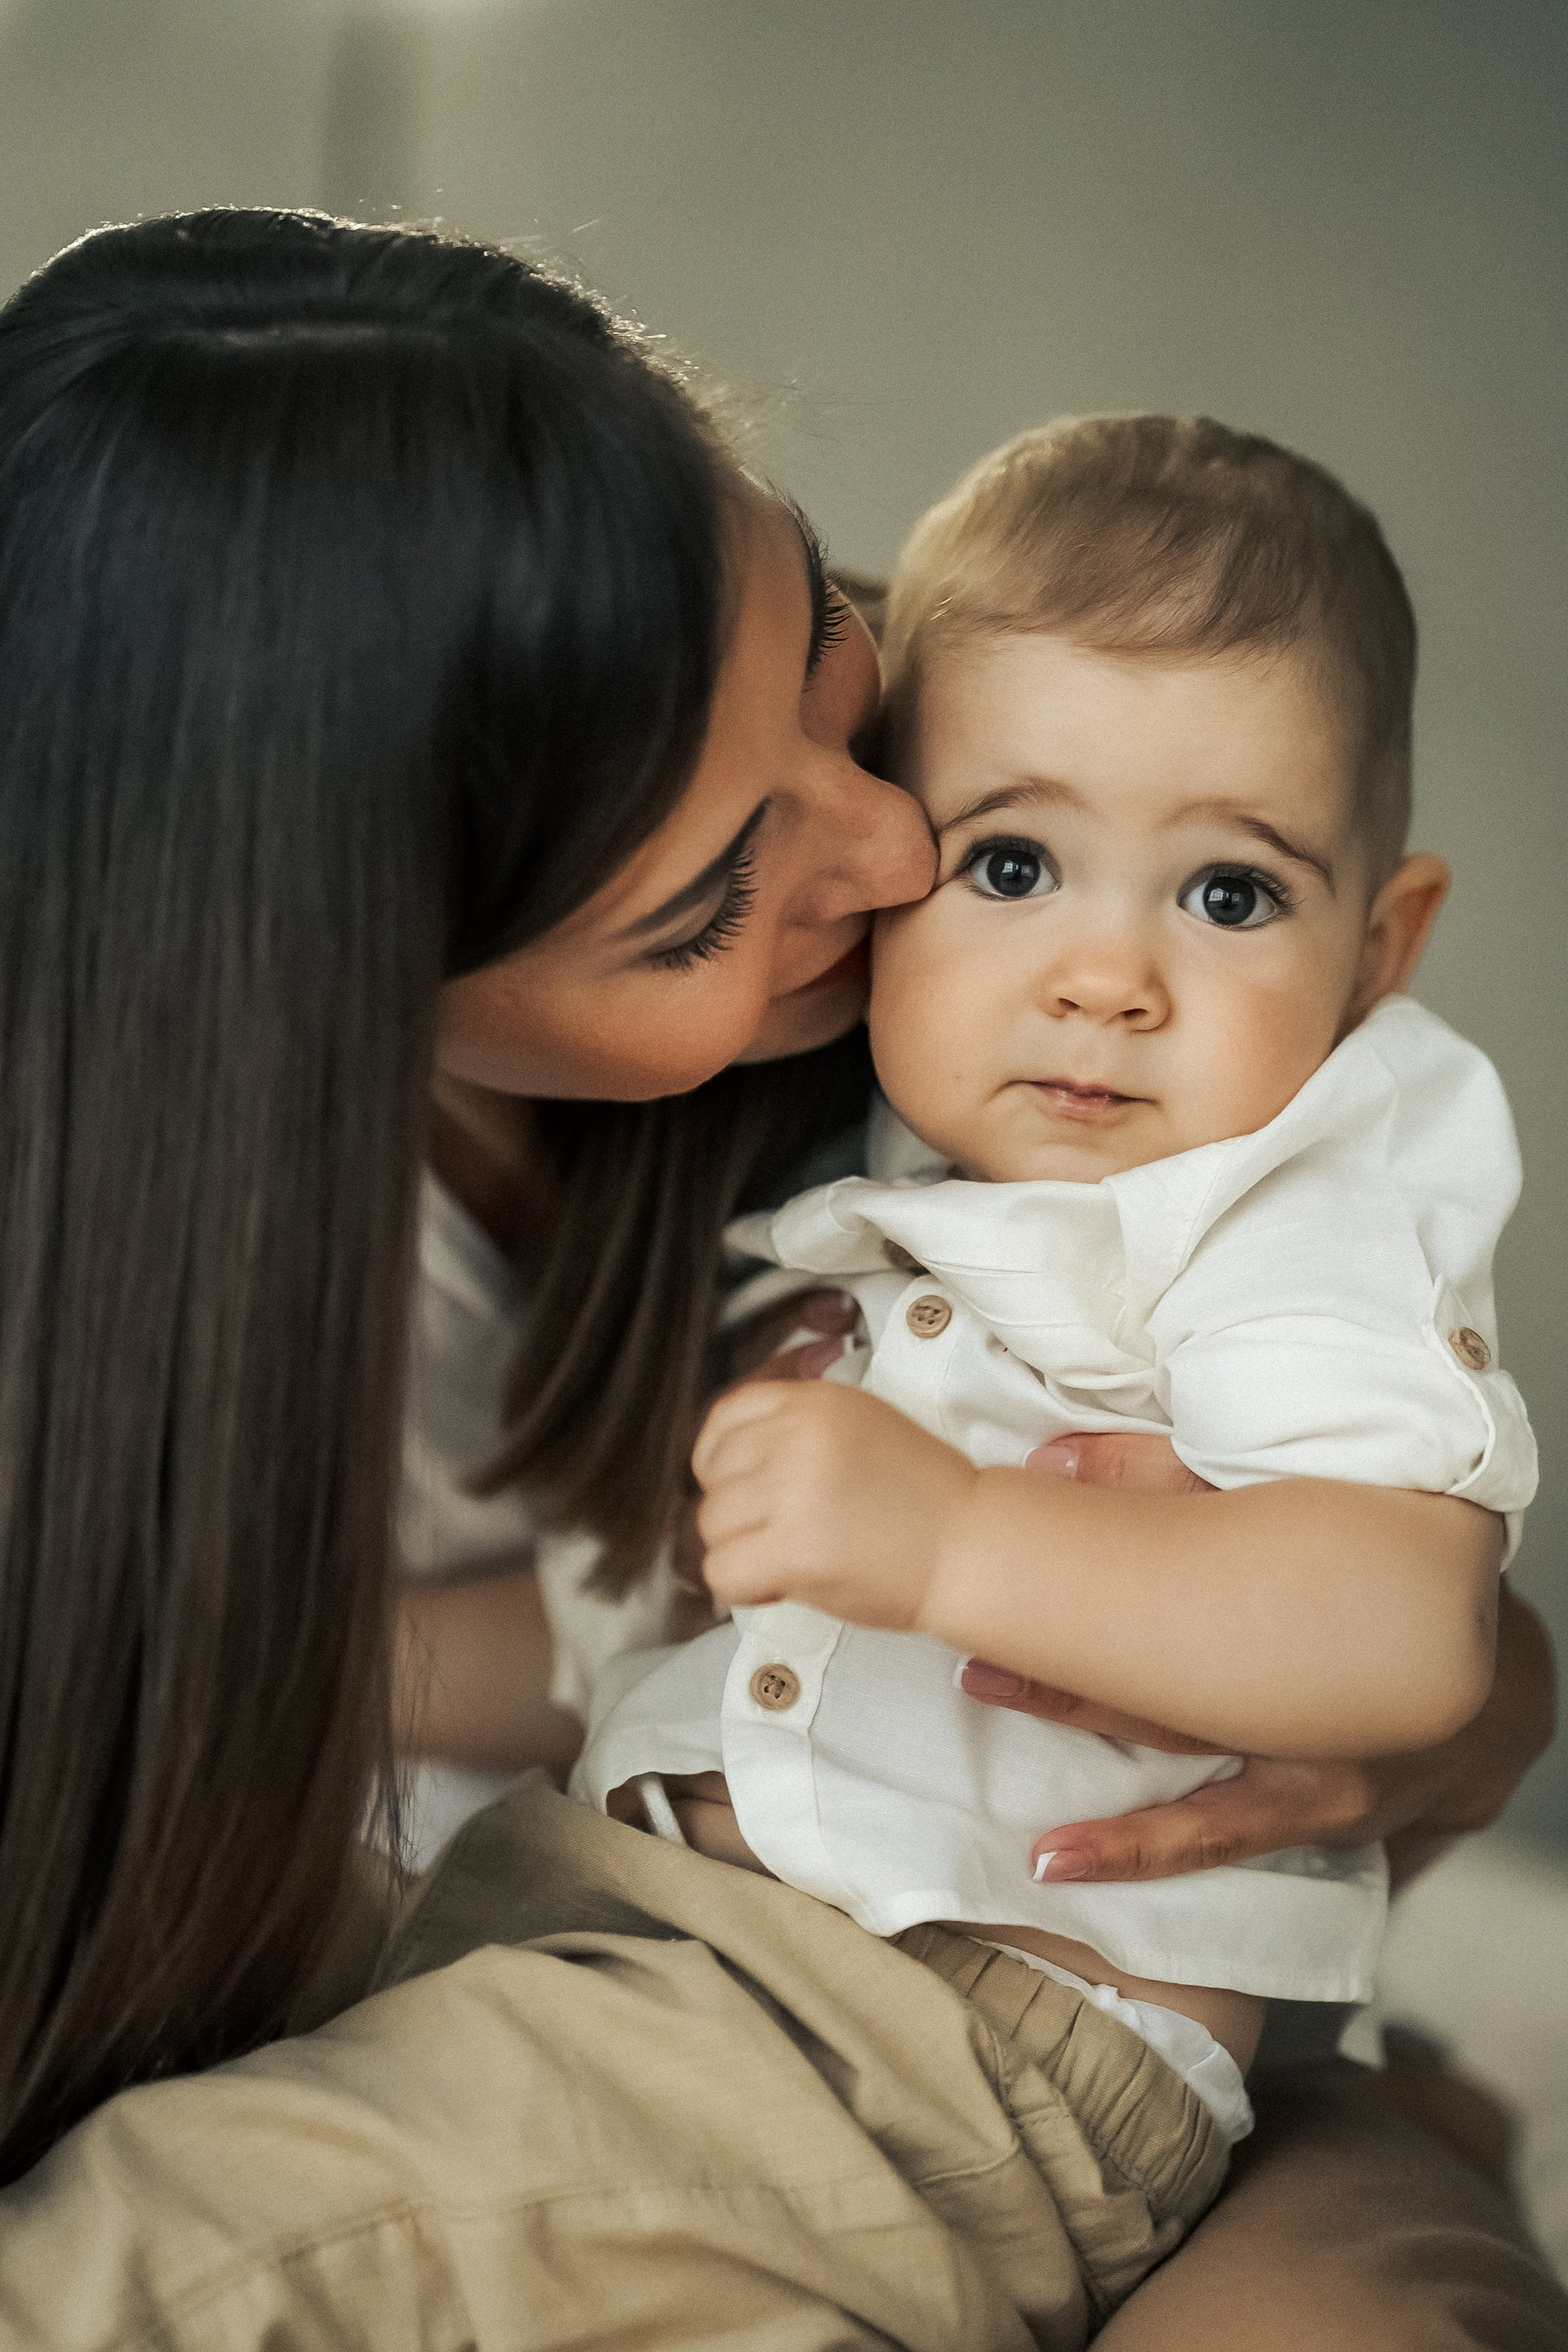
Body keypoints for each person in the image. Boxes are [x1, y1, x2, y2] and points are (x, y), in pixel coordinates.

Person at [0, 213, 1559, 2349]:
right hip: (598, 1959)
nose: (904, 855)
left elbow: (1428, 1624)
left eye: (840, 670)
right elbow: (564, 1626)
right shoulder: (128, 1292)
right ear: (357, 989)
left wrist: (1355, 1706)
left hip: (980, 2034)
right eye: (715, 891)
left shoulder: (1085, 908)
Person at [571, 414, 1536, 2286]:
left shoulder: (1284, 1203)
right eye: (1012, 866)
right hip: (674, 1939)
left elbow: (1417, 1633)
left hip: (983, 2026)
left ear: (1379, 947)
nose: (1109, 978)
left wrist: (956, 1541)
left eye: (1230, 893)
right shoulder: (902, 1139)